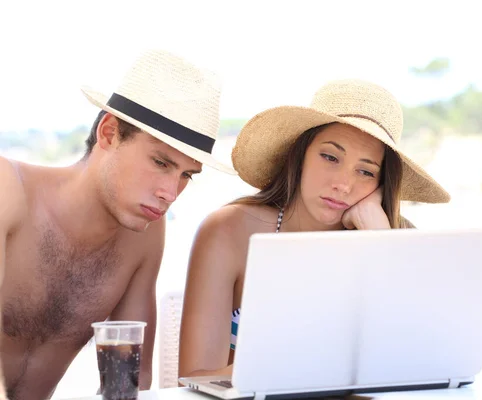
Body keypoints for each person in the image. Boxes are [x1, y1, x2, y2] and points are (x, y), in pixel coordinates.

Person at [0, 49, 235, 399]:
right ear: (109, 133)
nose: (171, 193)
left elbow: (133, 379)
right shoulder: (9, 190)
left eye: (187, 175)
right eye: (160, 162)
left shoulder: (145, 233)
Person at [178, 79, 451, 378]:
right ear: (300, 154)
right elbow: (195, 379)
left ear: (381, 184)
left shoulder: (393, 243)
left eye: (366, 171)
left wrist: (380, 241)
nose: (343, 184)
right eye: (331, 157)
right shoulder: (231, 232)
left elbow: (423, 365)